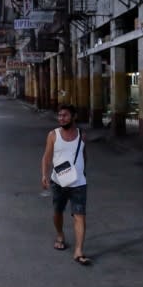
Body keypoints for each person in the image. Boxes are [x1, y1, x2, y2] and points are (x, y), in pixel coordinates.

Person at [40, 103, 91, 266]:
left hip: (79, 183)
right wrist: (44, 175)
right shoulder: (53, 135)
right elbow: (47, 158)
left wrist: (82, 173)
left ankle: (78, 251)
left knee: (79, 215)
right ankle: (60, 234)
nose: (61, 118)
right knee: (58, 212)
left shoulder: (82, 135)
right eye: (59, 115)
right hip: (58, 182)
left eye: (65, 115)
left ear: (74, 116)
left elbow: (84, 155)